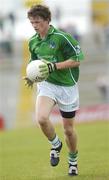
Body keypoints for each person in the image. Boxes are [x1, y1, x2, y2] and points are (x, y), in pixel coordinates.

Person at [24, 4, 84, 176]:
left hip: (67, 87)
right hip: (47, 85)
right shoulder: (33, 41)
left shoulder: (62, 38)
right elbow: (34, 63)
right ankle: (55, 144)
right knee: (41, 119)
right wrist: (31, 76)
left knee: (69, 130)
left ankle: (73, 160)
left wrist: (53, 66)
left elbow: (78, 59)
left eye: (38, 22)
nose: (35, 26)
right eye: (32, 23)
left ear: (48, 20)